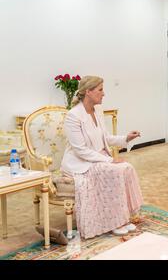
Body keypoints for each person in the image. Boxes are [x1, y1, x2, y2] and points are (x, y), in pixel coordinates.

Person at [61, 76, 143, 239]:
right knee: (114, 171)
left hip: (99, 157)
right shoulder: (73, 116)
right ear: (88, 92)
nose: (103, 94)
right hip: (81, 162)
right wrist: (110, 160)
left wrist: (126, 138)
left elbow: (105, 138)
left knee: (127, 168)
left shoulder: (97, 110)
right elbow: (80, 150)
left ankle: (124, 216)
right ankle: (114, 222)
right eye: (100, 90)